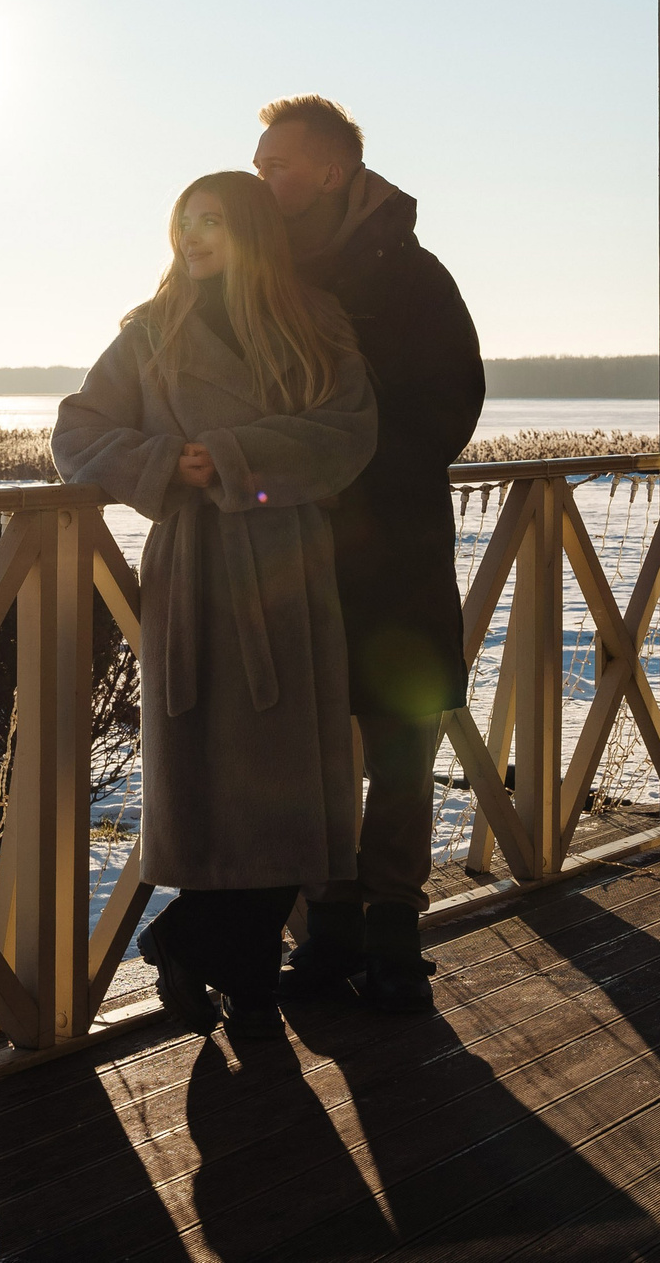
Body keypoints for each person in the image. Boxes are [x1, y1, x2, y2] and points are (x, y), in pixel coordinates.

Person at [52, 171, 377, 1042]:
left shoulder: (315, 323)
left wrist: (232, 456)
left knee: (284, 783)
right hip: (196, 575)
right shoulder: (152, 333)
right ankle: (234, 969)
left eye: (212, 222)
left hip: (290, 572)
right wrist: (164, 464)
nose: (192, 237)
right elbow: (75, 432)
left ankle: (198, 947)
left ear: (255, 234)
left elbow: (349, 432)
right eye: (183, 222)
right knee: (212, 778)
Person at [251, 94, 485, 1015]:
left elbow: (453, 401)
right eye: (260, 162)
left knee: (397, 751)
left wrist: (349, 465)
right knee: (305, 755)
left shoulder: (412, 275)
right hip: (291, 556)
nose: (263, 177)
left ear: (332, 171)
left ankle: (394, 932)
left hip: (395, 552)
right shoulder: (262, 274)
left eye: (277, 163)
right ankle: (324, 932)